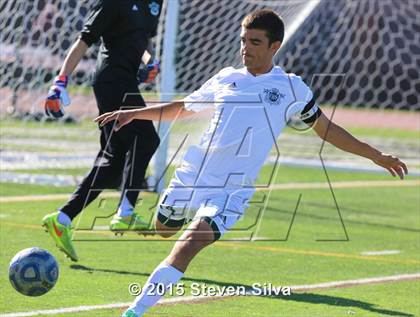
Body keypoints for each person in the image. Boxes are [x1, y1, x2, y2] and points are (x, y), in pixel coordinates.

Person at [95, 9, 408, 317]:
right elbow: (184, 107)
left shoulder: (291, 87)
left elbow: (326, 129)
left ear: (275, 46)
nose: (246, 48)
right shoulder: (225, 78)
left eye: (255, 42)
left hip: (232, 189)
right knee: (164, 230)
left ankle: (135, 311)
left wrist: (375, 155)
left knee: (187, 245)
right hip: (192, 175)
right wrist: (135, 112)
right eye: (243, 40)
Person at [42, 0, 163, 262]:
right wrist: (60, 83)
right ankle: (126, 211)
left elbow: (144, 38)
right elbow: (84, 40)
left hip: (126, 81)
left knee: (113, 161)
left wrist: (151, 61)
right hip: (112, 80)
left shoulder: (155, 3)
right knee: (147, 139)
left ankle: (62, 218)